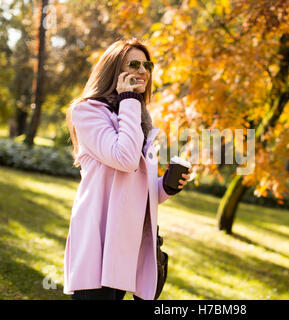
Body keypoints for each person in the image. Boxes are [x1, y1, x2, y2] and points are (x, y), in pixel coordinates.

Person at [63, 38, 192, 300]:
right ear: (114, 70)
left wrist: (165, 186)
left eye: (147, 65)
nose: (143, 70)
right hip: (98, 240)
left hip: (126, 245)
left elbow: (136, 189)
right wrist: (130, 100)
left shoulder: (139, 120)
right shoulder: (87, 111)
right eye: (133, 64)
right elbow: (124, 158)